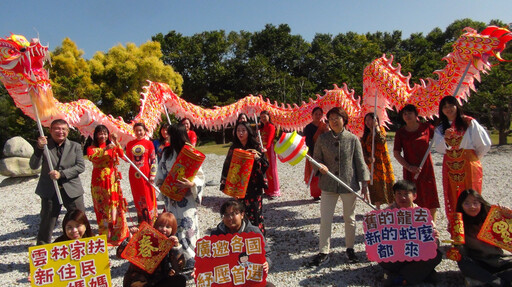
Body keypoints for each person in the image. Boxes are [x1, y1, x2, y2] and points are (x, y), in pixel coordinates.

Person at [307, 107, 370, 266]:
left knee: (349, 218)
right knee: (325, 219)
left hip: (348, 184)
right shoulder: (322, 139)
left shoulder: (353, 139)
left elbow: (360, 163)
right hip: (328, 185)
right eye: (331, 118)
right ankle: (323, 251)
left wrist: (364, 184)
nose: (334, 121)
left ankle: (350, 248)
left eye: (337, 118)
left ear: (344, 119)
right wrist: (319, 167)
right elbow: (315, 160)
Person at [155, 123, 205, 271]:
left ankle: (191, 260)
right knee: (173, 227)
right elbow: (160, 174)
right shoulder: (166, 153)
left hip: (187, 198)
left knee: (188, 227)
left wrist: (192, 183)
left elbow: (200, 176)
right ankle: (176, 259)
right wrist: (163, 182)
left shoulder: (191, 152)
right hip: (172, 198)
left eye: (170, 134)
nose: (167, 137)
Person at [29, 119, 86, 245]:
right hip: (49, 190)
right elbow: (33, 165)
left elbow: (80, 166)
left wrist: (62, 174)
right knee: (47, 223)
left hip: (72, 189)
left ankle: (85, 248)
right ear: (50, 130)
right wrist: (38, 148)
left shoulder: (75, 146)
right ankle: (43, 251)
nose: (60, 132)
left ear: (68, 131)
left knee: (80, 220)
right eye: (57, 128)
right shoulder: (44, 146)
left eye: (64, 129)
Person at [433, 96, 491, 216]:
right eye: (445, 107)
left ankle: (474, 224)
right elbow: (439, 148)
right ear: (441, 110)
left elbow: (483, 143)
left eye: (451, 105)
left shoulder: (469, 123)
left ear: (457, 106)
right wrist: (445, 138)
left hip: (469, 163)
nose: (448, 109)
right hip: (450, 165)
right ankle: (457, 227)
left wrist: (473, 158)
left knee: (472, 194)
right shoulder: (440, 128)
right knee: (453, 194)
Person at [379, 180, 442, 286]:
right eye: (399, 194)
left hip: (415, 252)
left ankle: (399, 277)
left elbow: (432, 233)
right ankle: (419, 273)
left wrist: (434, 237)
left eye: (406, 194)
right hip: (396, 254)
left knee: (436, 253)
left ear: (414, 196)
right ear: (394, 195)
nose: (402, 197)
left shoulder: (421, 213)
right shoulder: (386, 213)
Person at [211, 199, 275, 287]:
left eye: (233, 214)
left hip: (249, 277)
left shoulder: (253, 232)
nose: (230, 218)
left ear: (242, 214)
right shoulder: (216, 234)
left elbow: (267, 253)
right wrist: (200, 268)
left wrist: (266, 262)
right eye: (226, 215)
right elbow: (209, 259)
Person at [221, 121, 269, 235]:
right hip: (238, 186)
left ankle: (259, 240)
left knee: (255, 213)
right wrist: (226, 184)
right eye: (238, 130)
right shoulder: (234, 147)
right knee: (239, 213)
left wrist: (257, 158)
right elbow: (227, 166)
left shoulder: (256, 146)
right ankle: (242, 239)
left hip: (254, 186)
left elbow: (265, 164)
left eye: (243, 130)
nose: (240, 133)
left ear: (248, 131)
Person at [455, 189, 512, 286]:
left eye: (475, 203)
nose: (472, 207)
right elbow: (462, 253)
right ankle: (499, 282)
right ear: (461, 206)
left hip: (499, 259)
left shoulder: (493, 217)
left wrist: (508, 217)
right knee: (463, 262)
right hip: (479, 262)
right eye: (467, 203)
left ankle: (490, 280)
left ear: (481, 203)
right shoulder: (458, 223)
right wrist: (456, 239)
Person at [394, 104, 439, 221]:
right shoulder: (400, 133)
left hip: (426, 168)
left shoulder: (427, 127)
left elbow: (441, 141)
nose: (407, 116)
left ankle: (431, 225)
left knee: (430, 196)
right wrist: (408, 167)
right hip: (410, 170)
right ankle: (414, 225)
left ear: (416, 115)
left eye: (410, 113)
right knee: (410, 196)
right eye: (404, 114)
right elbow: (396, 153)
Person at [86, 125, 129, 246]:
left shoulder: (112, 145)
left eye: (105, 133)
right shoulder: (91, 147)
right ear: (95, 135)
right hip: (99, 182)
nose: (103, 136)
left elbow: (121, 154)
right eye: (100, 133)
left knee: (115, 205)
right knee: (102, 207)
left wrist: (116, 142)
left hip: (112, 180)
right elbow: (91, 157)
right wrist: (104, 150)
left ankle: (118, 233)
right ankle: (106, 235)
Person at [120, 212, 187, 287]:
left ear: (173, 229)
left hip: (159, 280)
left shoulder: (171, 243)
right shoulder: (145, 237)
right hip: (140, 279)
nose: (164, 229)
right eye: (161, 226)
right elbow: (120, 254)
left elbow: (179, 267)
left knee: (180, 279)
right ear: (156, 226)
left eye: (168, 227)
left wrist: (176, 247)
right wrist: (130, 240)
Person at [360, 113, 395, 209]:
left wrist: (377, 128)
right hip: (372, 165)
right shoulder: (365, 136)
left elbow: (382, 140)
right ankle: (378, 208)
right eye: (366, 120)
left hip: (383, 162)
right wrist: (368, 159)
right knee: (374, 186)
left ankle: (391, 206)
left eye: (370, 119)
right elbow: (363, 151)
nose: (367, 122)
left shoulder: (381, 130)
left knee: (387, 184)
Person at [126, 122, 158, 224]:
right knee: (138, 196)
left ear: (144, 131)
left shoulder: (149, 143)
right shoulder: (130, 144)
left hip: (146, 173)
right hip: (134, 174)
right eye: (136, 130)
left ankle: (151, 220)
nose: (138, 132)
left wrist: (152, 175)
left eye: (140, 130)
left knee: (148, 196)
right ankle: (142, 220)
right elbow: (127, 159)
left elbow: (153, 160)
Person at [303, 107, 329, 201]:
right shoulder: (308, 127)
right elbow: (308, 142)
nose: (318, 116)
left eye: (320, 114)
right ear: (312, 115)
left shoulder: (324, 126)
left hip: (324, 153)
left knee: (324, 172)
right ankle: (315, 194)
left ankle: (325, 192)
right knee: (314, 174)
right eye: (316, 114)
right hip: (313, 153)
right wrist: (313, 154)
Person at [259, 111, 281, 198]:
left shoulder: (271, 127)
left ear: (269, 116)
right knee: (265, 170)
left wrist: (266, 148)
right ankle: (268, 190)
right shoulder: (262, 128)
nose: (263, 118)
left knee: (272, 169)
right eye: (261, 117)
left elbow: (270, 139)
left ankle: (275, 190)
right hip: (263, 150)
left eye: (265, 116)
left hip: (269, 150)